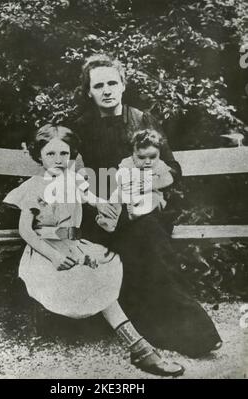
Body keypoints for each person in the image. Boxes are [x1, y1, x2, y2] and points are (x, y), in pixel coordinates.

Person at [72, 53, 222, 358]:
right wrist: (101, 203)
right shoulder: (82, 128)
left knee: (150, 242)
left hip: (142, 210)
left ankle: (194, 334)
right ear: (89, 91)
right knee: (121, 243)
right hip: (102, 212)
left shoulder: (142, 120)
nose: (107, 90)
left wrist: (145, 186)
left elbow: (172, 170)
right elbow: (77, 176)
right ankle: (149, 327)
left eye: (113, 82)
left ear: (123, 85)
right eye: (98, 85)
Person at [3, 123, 184, 377]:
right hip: (46, 256)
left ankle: (140, 343)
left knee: (107, 266)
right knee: (91, 279)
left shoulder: (74, 180)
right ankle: (138, 347)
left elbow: (94, 200)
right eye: (50, 154)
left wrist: (105, 205)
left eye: (64, 154)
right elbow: (26, 231)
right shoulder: (34, 188)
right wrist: (54, 256)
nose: (58, 160)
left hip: (76, 247)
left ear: (73, 155)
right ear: (38, 155)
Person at [96, 128, 174, 232]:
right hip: (128, 193)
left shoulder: (159, 165)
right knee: (116, 196)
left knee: (154, 199)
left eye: (152, 157)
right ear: (133, 153)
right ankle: (109, 220)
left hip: (149, 195)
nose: (147, 162)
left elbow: (168, 178)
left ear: (159, 154)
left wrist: (151, 184)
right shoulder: (128, 163)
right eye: (141, 158)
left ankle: (137, 213)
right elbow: (119, 175)